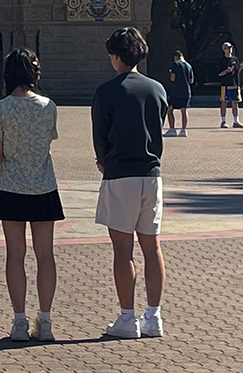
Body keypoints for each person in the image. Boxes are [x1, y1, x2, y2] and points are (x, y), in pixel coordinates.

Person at [92, 27, 169, 339]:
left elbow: (100, 135)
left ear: (115, 56)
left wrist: (103, 159)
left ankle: (127, 317)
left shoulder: (107, 91)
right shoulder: (157, 89)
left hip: (120, 173)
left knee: (122, 249)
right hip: (151, 174)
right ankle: (154, 316)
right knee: (152, 247)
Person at [0, 48, 62, 342]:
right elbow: (48, 141)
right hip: (44, 186)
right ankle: (45, 321)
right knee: (45, 255)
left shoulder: (1, 109)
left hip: (11, 186)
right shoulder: (48, 106)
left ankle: (19, 321)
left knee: (15, 255)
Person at [217, 39, 243, 129]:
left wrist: (240, 68)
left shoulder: (235, 59)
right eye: (228, 48)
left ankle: (236, 121)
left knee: (235, 103)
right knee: (224, 103)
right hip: (225, 84)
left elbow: (236, 72)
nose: (230, 49)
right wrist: (226, 71)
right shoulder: (222, 60)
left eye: (230, 48)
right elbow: (219, 74)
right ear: (224, 49)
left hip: (235, 84)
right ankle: (223, 121)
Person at [166, 50, 193, 136]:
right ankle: (183, 130)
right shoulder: (189, 66)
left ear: (175, 57)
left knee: (170, 109)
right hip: (186, 91)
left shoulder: (175, 64)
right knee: (184, 110)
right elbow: (191, 80)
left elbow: (173, 78)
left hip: (177, 91)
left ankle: (172, 129)